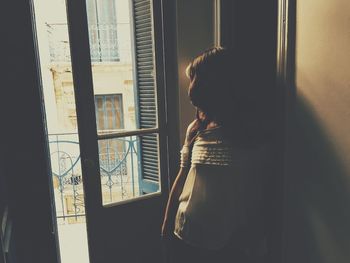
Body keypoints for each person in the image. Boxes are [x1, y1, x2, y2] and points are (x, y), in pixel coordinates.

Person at [161, 46, 273, 263]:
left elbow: (265, 187)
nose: (190, 89)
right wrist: (166, 223)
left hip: (229, 245)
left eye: (195, 79)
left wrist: (255, 236)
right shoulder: (196, 129)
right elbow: (183, 176)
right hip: (185, 233)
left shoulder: (253, 131)